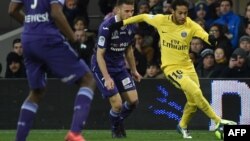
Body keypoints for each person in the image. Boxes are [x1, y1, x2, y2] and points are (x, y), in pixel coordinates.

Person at [109, 0, 237, 139]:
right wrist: (122, 23)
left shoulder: (190, 24)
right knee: (195, 91)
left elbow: (204, 35)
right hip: (171, 68)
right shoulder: (161, 20)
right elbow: (143, 16)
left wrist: (211, 39)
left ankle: (182, 125)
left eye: (185, 13)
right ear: (172, 11)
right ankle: (218, 120)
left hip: (188, 66)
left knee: (193, 101)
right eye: (180, 13)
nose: (183, 16)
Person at [8, 0, 95, 141]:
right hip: (47, 39)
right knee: (87, 79)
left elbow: (12, 10)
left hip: (28, 40)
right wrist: (74, 38)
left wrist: (31, 25)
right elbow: (55, 12)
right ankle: (75, 133)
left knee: (36, 92)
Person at [91, 0, 142, 138]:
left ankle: (118, 120)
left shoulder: (132, 25)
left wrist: (134, 70)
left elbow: (129, 49)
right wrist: (107, 78)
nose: (130, 14)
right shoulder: (106, 27)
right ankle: (116, 129)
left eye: (132, 11)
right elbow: (99, 55)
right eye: (126, 11)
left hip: (119, 67)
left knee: (133, 101)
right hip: (102, 67)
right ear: (117, 10)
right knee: (117, 104)